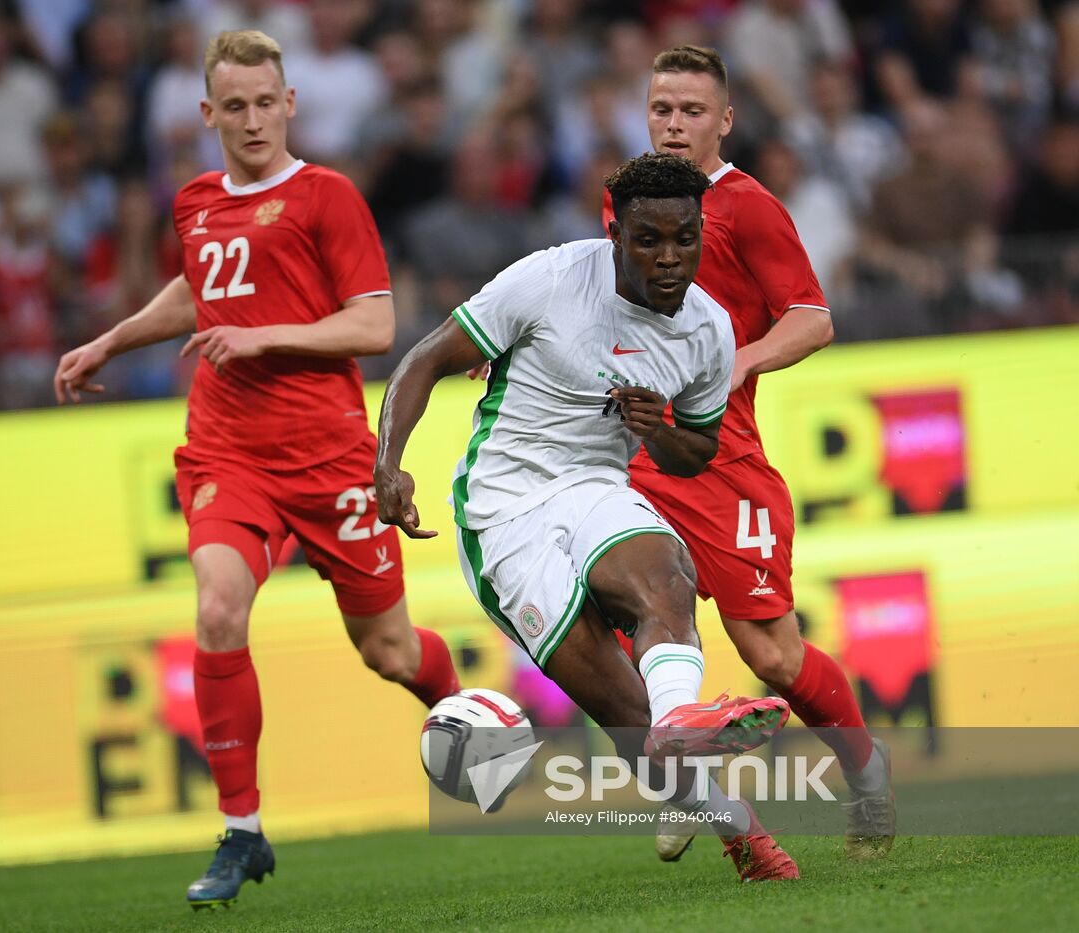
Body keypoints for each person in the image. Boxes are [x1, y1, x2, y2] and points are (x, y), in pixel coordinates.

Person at [53, 30, 462, 910]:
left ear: (289, 104)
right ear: (208, 113)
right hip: (228, 449)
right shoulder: (196, 202)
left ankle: (461, 709)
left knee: (389, 651)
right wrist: (111, 341)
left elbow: (374, 325)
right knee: (216, 608)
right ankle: (242, 828)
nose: (251, 120)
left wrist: (263, 335)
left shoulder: (327, 196)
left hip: (327, 455)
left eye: (265, 103)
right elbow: (200, 288)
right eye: (233, 106)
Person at [376, 151, 798, 883]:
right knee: (627, 713)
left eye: (685, 239)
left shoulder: (709, 328)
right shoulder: (549, 280)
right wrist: (388, 462)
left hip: (596, 483)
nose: (669, 258)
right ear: (616, 236)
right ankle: (735, 824)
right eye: (649, 240)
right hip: (502, 507)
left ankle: (683, 725)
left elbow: (696, 452)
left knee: (666, 576)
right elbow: (425, 358)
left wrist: (658, 430)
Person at [598, 46, 895, 860]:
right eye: (661, 109)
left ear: (724, 120)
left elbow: (813, 317)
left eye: (692, 111)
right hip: (634, 456)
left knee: (772, 654)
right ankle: (686, 775)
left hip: (721, 461)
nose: (674, 124)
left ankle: (865, 766)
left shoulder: (749, 208)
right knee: (623, 609)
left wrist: (740, 360)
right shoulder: (622, 200)